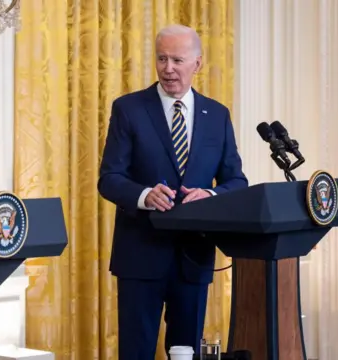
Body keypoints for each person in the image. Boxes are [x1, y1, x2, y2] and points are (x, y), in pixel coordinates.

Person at [98, 25, 248, 359]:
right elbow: (109, 178)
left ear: (197, 64)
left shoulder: (218, 115)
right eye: (162, 59)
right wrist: (144, 195)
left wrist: (210, 196)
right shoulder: (129, 109)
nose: (168, 68)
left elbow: (236, 181)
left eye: (177, 60)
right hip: (140, 255)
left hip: (193, 257)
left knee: (186, 353)